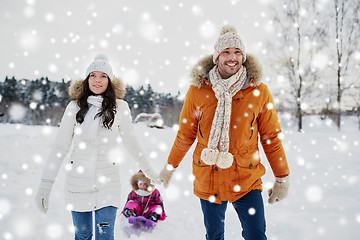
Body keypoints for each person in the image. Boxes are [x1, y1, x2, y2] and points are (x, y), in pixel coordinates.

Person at [159, 25, 290, 240]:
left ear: (243, 56)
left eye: (237, 52)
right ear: (216, 56)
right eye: (226, 52)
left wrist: (282, 178)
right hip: (209, 178)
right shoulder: (198, 90)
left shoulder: (258, 91)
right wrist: (170, 167)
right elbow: (185, 134)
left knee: (256, 234)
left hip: (246, 178)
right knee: (214, 235)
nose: (232, 58)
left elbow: (270, 137)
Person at [34, 54, 159, 240]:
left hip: (108, 184)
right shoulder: (74, 107)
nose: (97, 80)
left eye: (103, 76)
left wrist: (150, 171)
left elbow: (132, 143)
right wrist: (45, 186)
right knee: (82, 234)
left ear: (110, 80)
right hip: (77, 183)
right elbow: (59, 147)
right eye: (93, 75)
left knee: (105, 235)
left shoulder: (120, 108)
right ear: (86, 79)